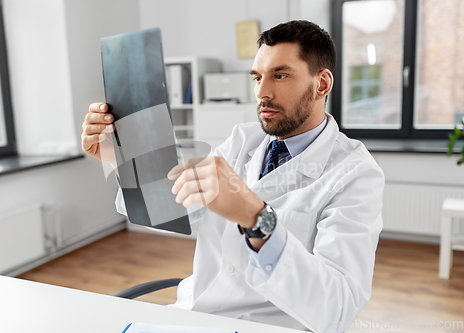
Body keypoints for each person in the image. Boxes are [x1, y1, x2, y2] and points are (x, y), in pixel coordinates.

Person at [81, 20, 384, 333]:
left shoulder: (356, 174)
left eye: (279, 75)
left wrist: (256, 218)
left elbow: (337, 309)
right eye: (257, 77)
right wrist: (117, 157)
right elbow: (172, 208)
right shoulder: (242, 141)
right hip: (193, 317)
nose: (262, 92)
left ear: (321, 84)